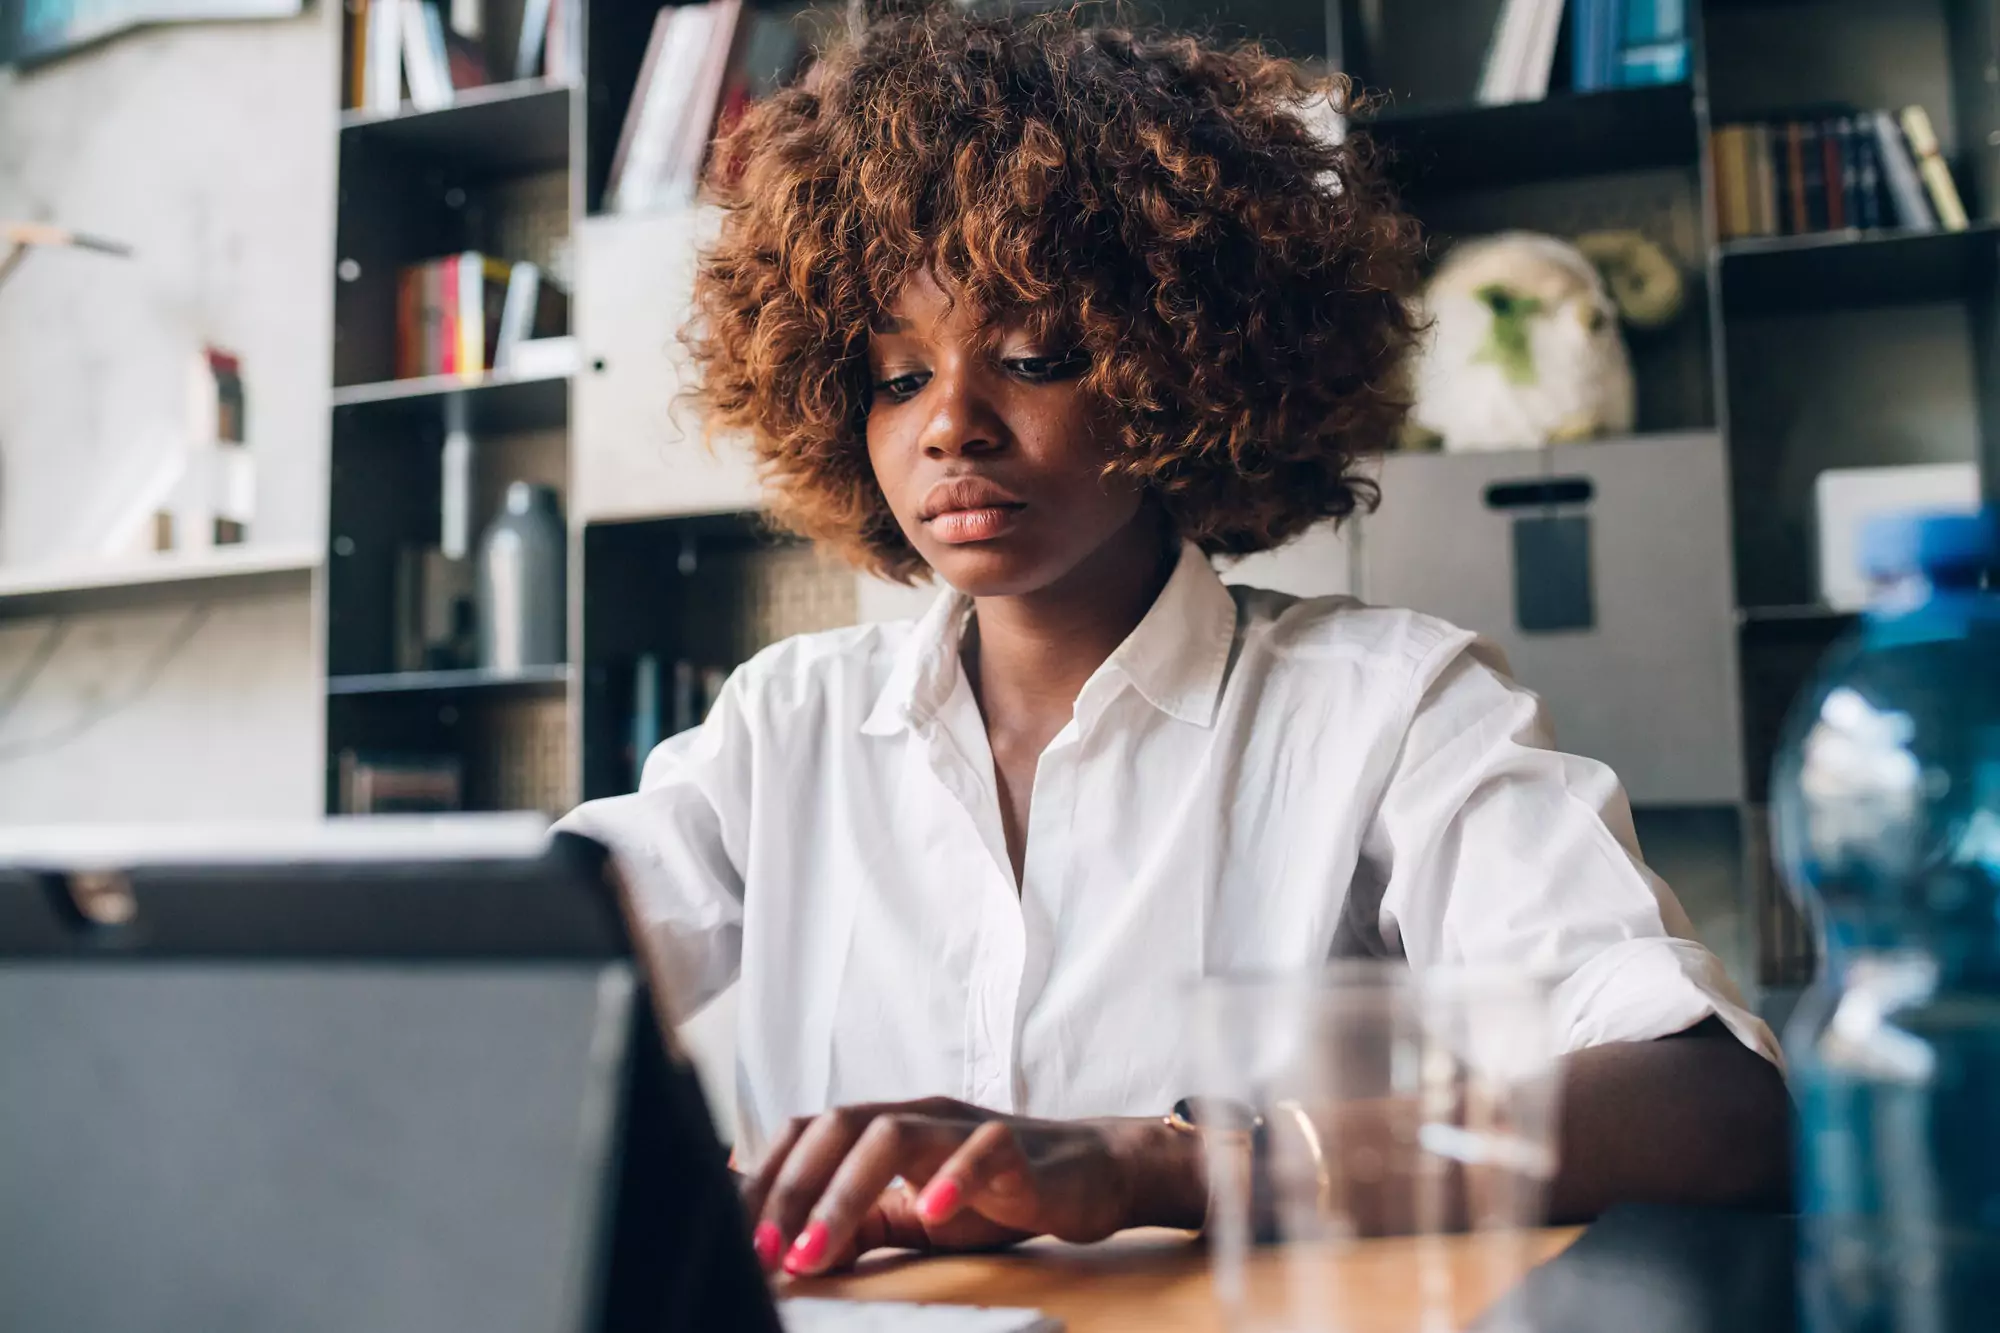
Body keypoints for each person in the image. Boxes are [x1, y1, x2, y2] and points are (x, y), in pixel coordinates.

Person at [559, 2, 1789, 1280]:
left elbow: (1710, 1110)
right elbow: (497, 961)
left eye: (1034, 356)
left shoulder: (1389, 710)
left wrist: (1160, 1162)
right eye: (897, 375)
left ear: (1179, 373)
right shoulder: (784, 725)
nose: (951, 426)